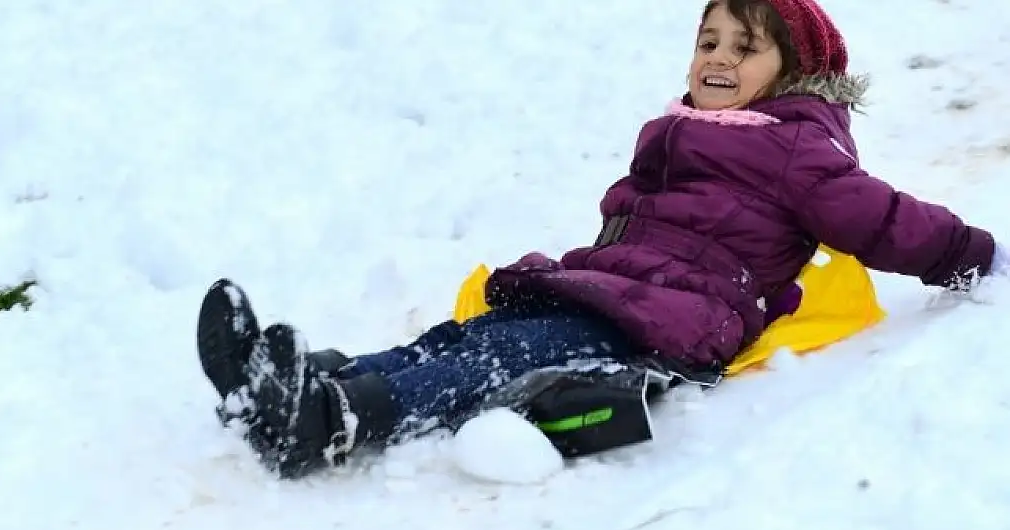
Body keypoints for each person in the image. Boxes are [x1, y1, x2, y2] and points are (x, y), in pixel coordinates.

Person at [196, 0, 1008, 479]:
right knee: (474, 334)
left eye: (744, 46)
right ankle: (304, 381)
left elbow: (888, 219)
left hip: (676, 321)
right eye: (708, 41)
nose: (717, 58)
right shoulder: (687, 127)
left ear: (793, 71)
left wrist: (975, 254)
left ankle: (329, 419)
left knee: (497, 359)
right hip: (622, 291)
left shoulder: (798, 148)